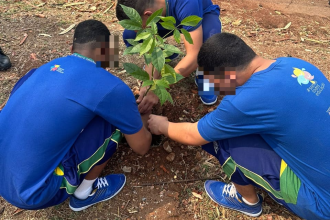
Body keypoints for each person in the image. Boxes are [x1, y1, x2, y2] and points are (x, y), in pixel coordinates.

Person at [148, 33, 330, 220]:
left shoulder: (242, 102)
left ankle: (247, 201)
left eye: (215, 82)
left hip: (323, 203)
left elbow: (193, 134)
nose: (216, 89)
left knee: (224, 138)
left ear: (228, 75)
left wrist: (162, 125)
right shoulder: (294, 64)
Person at [0, 20, 152, 211]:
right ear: (107, 51)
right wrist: (146, 118)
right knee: (111, 122)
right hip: (33, 193)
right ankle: (84, 193)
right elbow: (141, 147)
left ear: (72, 48)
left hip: (5, 175)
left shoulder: (44, 68)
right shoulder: (111, 87)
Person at [116, 0, 222, 113]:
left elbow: (194, 55)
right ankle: (164, 55)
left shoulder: (187, 3)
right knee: (130, 35)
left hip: (201, 15)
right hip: (164, 17)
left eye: (142, 26)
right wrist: (149, 81)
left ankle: (205, 74)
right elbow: (150, 46)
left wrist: (159, 89)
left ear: (148, 14)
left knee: (210, 45)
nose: (140, 30)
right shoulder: (150, 12)